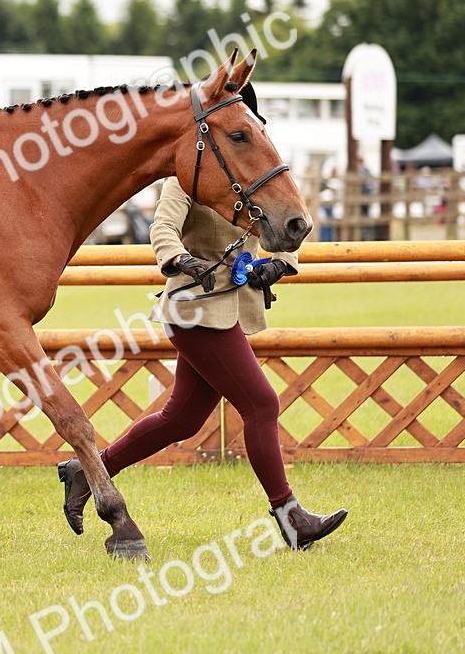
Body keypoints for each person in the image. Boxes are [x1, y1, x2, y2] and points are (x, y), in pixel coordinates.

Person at [58, 176, 348, 551]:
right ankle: (292, 518)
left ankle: (88, 471)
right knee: (261, 404)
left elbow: (290, 220)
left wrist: (281, 262)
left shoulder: (259, 177)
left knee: (182, 419)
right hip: (193, 309)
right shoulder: (186, 181)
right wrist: (180, 258)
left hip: (230, 308)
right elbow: (162, 227)